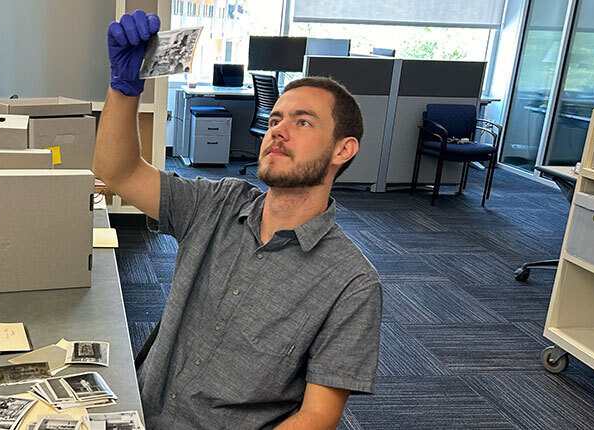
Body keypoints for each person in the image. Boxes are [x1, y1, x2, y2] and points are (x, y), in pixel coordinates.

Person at [94, 10, 383, 430]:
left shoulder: (352, 283)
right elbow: (118, 172)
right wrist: (123, 88)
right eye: (275, 119)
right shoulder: (219, 202)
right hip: (139, 413)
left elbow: (317, 417)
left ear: (343, 150)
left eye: (303, 122)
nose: (278, 131)